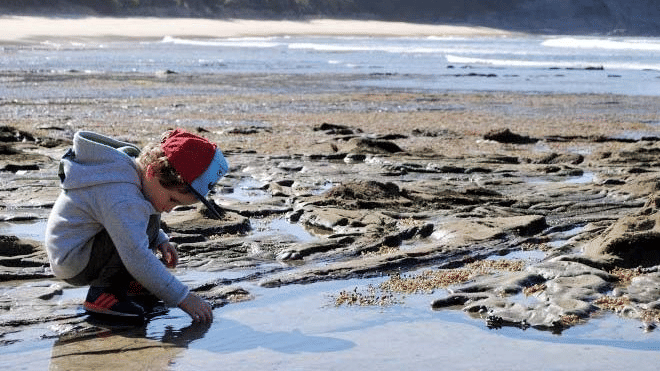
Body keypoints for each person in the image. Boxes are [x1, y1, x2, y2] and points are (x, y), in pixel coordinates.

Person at [45, 129, 229, 323]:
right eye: (172, 199)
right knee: (139, 244)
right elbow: (136, 255)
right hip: (73, 259)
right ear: (154, 170)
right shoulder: (121, 195)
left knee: (148, 215)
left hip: (88, 248)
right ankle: (100, 295)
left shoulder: (133, 175)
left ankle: (130, 289)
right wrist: (183, 298)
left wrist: (159, 238)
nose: (169, 210)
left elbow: (130, 223)